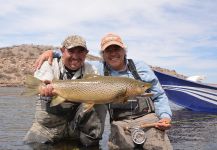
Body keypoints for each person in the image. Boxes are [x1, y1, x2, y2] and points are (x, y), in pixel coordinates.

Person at [35, 33, 173, 149]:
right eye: (108, 50)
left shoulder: (140, 67)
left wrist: (165, 117)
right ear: (103, 54)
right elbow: (75, 57)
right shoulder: (98, 67)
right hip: (120, 123)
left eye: (117, 49)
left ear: (124, 51)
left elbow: (159, 95)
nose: (113, 54)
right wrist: (52, 52)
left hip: (148, 118)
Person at [24, 35, 107, 147]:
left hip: (76, 128)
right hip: (48, 128)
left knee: (99, 102)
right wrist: (45, 90)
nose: (75, 56)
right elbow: (43, 83)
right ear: (62, 51)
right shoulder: (49, 63)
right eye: (71, 51)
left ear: (86, 53)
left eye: (80, 52)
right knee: (33, 145)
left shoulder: (91, 69)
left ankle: (89, 140)